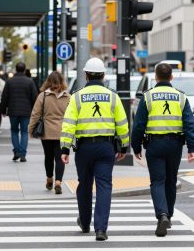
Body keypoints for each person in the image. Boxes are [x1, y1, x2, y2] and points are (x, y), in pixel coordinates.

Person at [60, 57, 129, 241]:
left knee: (84, 185)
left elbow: (68, 125)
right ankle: (101, 229)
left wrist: (65, 149)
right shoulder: (113, 96)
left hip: (83, 149)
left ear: (86, 74)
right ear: (104, 75)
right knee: (104, 186)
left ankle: (84, 222)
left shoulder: (77, 97)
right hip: (106, 147)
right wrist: (124, 145)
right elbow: (122, 124)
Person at [131, 62, 194, 237]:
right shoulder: (181, 97)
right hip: (174, 145)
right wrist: (191, 147)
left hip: (154, 145)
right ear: (171, 77)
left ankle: (162, 214)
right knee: (171, 181)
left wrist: (135, 147)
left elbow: (138, 125)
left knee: (157, 181)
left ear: (156, 78)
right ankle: (169, 215)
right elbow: (189, 124)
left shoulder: (148, 97)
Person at [28, 71, 70, 194]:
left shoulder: (43, 96)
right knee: (59, 158)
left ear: (48, 82)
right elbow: (73, 116)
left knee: (48, 156)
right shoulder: (68, 97)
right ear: (62, 81)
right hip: (62, 132)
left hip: (46, 132)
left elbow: (35, 114)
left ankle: (49, 178)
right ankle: (58, 182)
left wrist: (30, 129)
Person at [1, 62, 38, 162]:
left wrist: (3, 110)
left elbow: (4, 97)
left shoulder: (9, 81)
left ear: (16, 69)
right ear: (24, 69)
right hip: (26, 111)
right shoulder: (30, 82)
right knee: (25, 132)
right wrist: (36, 111)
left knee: (14, 131)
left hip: (13, 111)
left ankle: (16, 151)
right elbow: (35, 97)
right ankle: (22, 154)